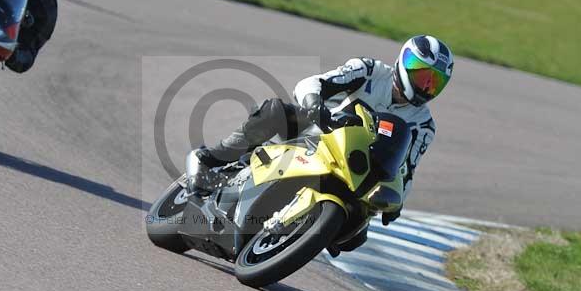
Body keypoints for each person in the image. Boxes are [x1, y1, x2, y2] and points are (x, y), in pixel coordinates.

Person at [192, 35, 454, 251]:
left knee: (353, 238)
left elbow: (407, 170)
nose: (427, 87)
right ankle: (213, 159)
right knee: (274, 112)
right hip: (317, 129)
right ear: (405, 64)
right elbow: (315, 82)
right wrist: (314, 103)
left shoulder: (424, 125)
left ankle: (304, 234)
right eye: (422, 77)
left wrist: (395, 204)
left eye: (435, 83)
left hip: (357, 170)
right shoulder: (370, 71)